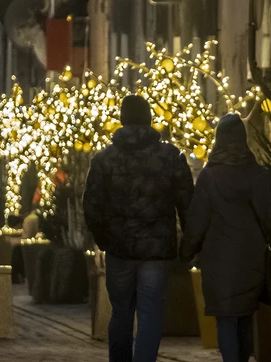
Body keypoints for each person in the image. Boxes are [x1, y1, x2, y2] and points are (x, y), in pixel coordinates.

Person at [84, 94, 194, 362]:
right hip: (157, 250)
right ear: (149, 118)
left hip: (119, 249)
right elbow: (187, 202)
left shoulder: (104, 159)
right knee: (150, 312)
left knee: (121, 312)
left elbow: (92, 205)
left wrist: (103, 238)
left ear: (122, 119)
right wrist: (189, 240)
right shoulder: (170, 156)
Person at [181, 114, 271, 362]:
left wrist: (187, 252)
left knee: (226, 320)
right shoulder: (259, 175)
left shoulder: (210, 177)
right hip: (253, 256)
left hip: (219, 260)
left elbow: (197, 221)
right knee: (244, 317)